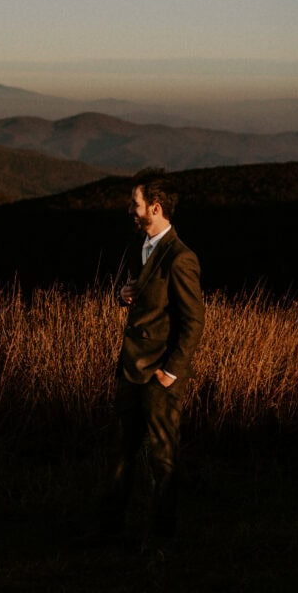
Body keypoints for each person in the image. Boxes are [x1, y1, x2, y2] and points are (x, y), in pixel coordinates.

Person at [98, 168, 205, 547]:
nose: (130, 209)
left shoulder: (180, 257)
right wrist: (124, 295)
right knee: (120, 454)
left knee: (162, 459)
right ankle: (110, 531)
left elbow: (193, 322)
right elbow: (145, 299)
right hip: (131, 369)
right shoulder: (141, 247)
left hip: (158, 375)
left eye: (136, 203)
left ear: (155, 208)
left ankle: (162, 538)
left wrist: (170, 372)